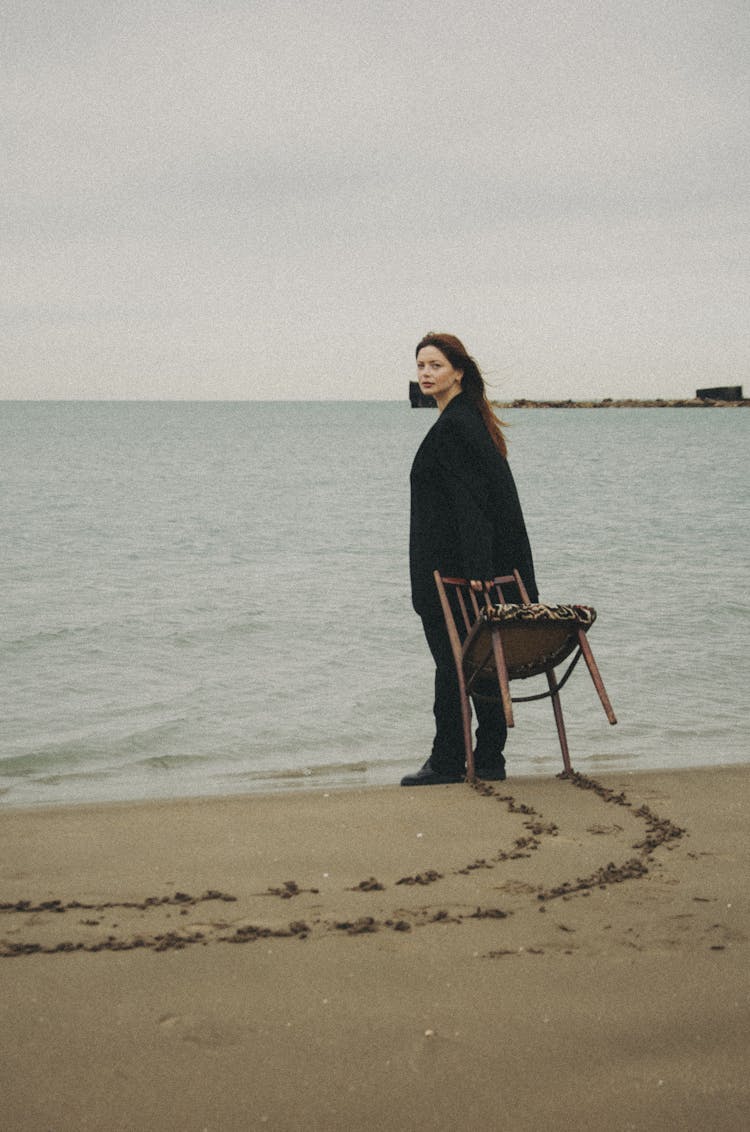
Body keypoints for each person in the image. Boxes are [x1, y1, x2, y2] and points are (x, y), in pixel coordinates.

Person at [401, 332, 538, 786]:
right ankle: (491, 756)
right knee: (474, 661)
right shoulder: (467, 420)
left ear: (458, 372)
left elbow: (472, 502)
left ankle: (447, 761)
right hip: (463, 567)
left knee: (453, 662)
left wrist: (478, 569)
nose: (425, 373)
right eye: (420, 365)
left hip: (455, 572)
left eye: (435, 365)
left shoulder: (458, 425)